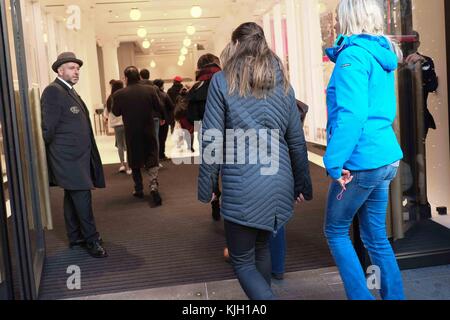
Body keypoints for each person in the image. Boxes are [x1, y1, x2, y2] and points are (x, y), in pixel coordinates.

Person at [198, 22, 313, 300]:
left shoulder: (222, 81)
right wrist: (302, 184)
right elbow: (296, 140)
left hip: (243, 183)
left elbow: (212, 138)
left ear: (235, 44)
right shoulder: (283, 82)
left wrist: (208, 185)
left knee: (242, 261)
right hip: (279, 181)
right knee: (262, 250)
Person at [323, 0, 405, 300]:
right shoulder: (379, 54)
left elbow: (352, 115)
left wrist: (334, 161)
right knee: (375, 238)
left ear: (346, 18)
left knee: (335, 231)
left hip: (362, 160)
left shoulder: (353, 57)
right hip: (384, 157)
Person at [41, 52, 107, 258]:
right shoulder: (53, 91)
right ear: (60, 70)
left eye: (77, 68)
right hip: (67, 158)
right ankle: (92, 240)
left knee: (72, 196)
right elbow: (47, 129)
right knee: (82, 197)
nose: (76, 71)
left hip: (76, 157)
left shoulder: (68, 91)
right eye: (71, 68)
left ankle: (75, 236)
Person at [112, 66, 164, 207]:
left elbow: (116, 112)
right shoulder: (150, 90)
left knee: (134, 159)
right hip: (148, 129)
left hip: (132, 131)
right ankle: (153, 184)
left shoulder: (119, 94)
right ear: (139, 77)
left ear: (126, 78)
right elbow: (159, 106)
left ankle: (139, 188)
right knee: (151, 155)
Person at [186, 54, 222, 221]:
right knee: (232, 167)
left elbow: (191, 116)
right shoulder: (227, 83)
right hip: (230, 132)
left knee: (211, 170)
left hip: (206, 132)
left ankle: (215, 199)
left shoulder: (195, 88)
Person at [404, 31, 438, 138]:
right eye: (407, 43)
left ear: (418, 44)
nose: (410, 46)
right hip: (399, 116)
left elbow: (432, 86)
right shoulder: (394, 61)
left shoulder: (425, 61)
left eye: (413, 42)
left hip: (419, 117)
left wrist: (423, 63)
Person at [104, 79, 131, 174]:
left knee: (119, 144)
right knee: (127, 144)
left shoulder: (110, 98)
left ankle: (122, 164)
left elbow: (106, 112)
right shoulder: (125, 96)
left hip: (116, 124)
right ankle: (129, 166)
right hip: (126, 122)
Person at [153, 79, 175, 160]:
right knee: (162, 138)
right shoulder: (164, 95)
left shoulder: (151, 95)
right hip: (163, 119)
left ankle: (155, 156)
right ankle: (161, 155)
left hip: (153, 119)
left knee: (155, 138)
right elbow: (171, 106)